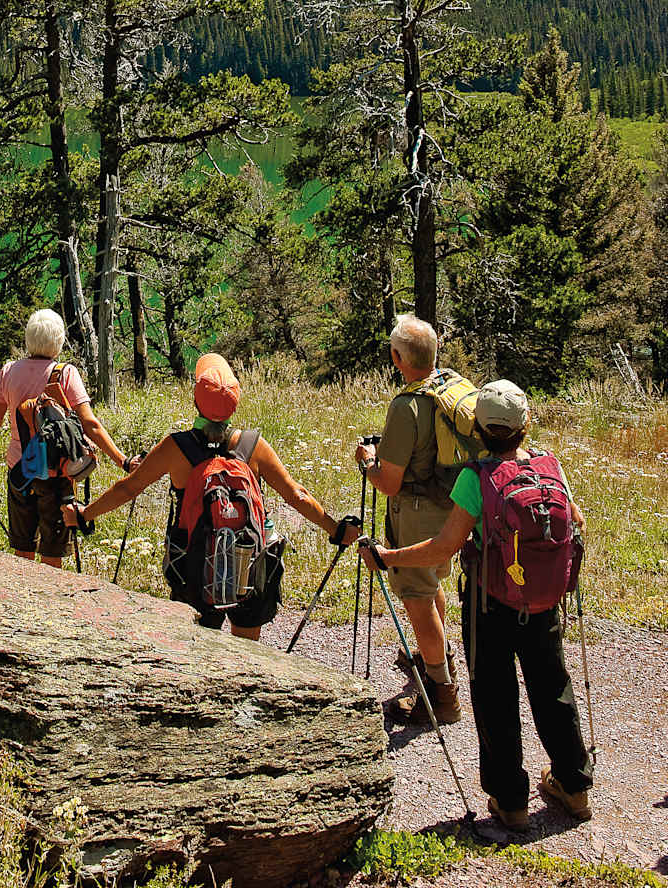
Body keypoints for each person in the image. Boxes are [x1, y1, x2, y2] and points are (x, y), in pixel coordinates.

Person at [358, 379, 593, 832]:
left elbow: (444, 548)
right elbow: (576, 521)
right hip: (544, 601)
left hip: (491, 604)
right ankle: (575, 785)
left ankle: (511, 803)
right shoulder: (552, 468)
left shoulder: (476, 479)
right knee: (552, 688)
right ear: (526, 424)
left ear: (480, 430)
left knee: (495, 696)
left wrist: (387, 557)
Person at [62, 352, 361, 640]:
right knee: (247, 653)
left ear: (195, 401)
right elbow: (297, 496)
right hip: (249, 563)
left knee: (198, 652)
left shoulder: (176, 447)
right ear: (235, 404)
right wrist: (336, 529)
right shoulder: (253, 445)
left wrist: (84, 514)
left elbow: (128, 487)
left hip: (193, 566)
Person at [0, 309, 137, 569]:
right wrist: (124, 461)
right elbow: (91, 425)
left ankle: (23, 604)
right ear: (58, 340)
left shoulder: (9, 371)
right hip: (57, 475)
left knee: (23, 550)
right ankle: (51, 607)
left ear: (29, 338)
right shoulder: (65, 374)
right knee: (52, 555)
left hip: (20, 470)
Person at [355, 314, 460, 724]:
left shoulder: (407, 406)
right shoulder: (449, 388)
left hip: (417, 512)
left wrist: (367, 463)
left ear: (398, 357)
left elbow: (389, 483)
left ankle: (441, 695)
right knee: (430, 583)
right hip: (452, 507)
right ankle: (436, 654)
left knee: (416, 598)